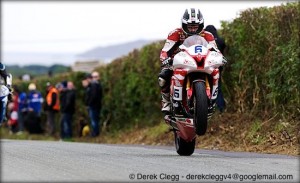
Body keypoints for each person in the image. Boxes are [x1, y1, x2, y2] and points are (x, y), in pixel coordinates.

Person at [158, 8, 223, 118]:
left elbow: (216, 50)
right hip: (178, 62)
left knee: (216, 72)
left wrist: (220, 58)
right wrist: (165, 58)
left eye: (195, 26)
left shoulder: (208, 35)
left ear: (201, 25)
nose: (193, 29)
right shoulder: (175, 33)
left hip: (201, 61)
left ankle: (212, 101)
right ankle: (167, 103)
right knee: (163, 77)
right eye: (190, 26)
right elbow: (165, 51)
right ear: (184, 25)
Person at [205, 25, 227, 112]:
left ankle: (208, 108)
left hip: (206, 67)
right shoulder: (221, 41)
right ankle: (221, 108)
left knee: (206, 87)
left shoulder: (205, 42)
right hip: (218, 67)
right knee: (217, 87)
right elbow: (224, 48)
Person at [83, 71, 102, 137]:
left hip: (94, 105)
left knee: (94, 120)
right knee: (93, 119)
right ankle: (94, 133)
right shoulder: (93, 85)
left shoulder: (94, 85)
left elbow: (93, 96)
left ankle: (95, 133)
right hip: (94, 105)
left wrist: (89, 104)